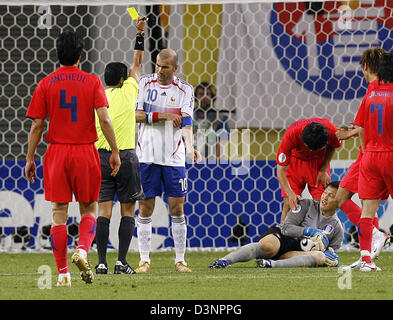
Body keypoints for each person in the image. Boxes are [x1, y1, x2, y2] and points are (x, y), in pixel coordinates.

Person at [25, 29, 121, 287]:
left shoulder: (46, 83)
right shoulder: (91, 82)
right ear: (81, 55)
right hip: (84, 151)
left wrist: (30, 158)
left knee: (58, 212)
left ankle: (63, 274)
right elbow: (104, 119)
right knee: (89, 207)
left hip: (56, 152)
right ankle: (82, 249)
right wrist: (114, 151)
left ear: (57, 54)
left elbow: (36, 126)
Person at [134, 48, 202, 273]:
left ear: (174, 68)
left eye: (164, 67)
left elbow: (186, 122)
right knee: (145, 208)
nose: (159, 70)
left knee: (177, 207)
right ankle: (144, 260)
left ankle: (180, 260)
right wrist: (163, 115)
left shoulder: (185, 90)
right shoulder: (144, 83)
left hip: (173, 158)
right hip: (147, 156)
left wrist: (191, 147)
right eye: (157, 65)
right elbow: (136, 115)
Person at [94, 17, 146, 275]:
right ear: (124, 79)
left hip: (100, 158)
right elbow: (138, 63)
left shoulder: (98, 97)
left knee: (103, 211)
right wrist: (139, 34)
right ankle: (121, 262)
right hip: (125, 156)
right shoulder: (129, 91)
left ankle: (101, 262)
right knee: (128, 210)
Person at [335, 48, 390, 265]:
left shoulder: (373, 92)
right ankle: (374, 238)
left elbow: (369, 124)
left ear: (365, 67)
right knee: (341, 198)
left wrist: (351, 133)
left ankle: (368, 251)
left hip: (370, 154)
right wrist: (353, 132)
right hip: (371, 153)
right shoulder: (379, 90)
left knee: (368, 204)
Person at [209, 181, 344, 269]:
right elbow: (286, 228)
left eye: (331, 196)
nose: (324, 198)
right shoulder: (304, 204)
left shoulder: (337, 228)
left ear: (339, 201)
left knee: (320, 257)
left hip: (297, 252)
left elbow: (330, 253)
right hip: (281, 237)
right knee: (269, 247)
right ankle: (224, 261)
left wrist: (331, 258)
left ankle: (270, 265)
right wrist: (308, 231)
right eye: (325, 193)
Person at [348, 51, 393, 271]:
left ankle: (366, 259)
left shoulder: (370, 95)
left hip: (370, 156)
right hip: (391, 153)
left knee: (367, 209)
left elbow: (361, 129)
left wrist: (367, 153)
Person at [276, 118, 342, 222]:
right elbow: (280, 171)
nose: (311, 151)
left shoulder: (331, 130)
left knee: (323, 205)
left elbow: (333, 147)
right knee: (289, 205)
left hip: (319, 165)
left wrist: (324, 169)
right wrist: (290, 194)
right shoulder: (291, 135)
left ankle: (319, 236)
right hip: (295, 164)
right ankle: (284, 237)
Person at [193, 82, 229, 161]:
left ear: (212, 97)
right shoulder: (187, 116)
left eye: (207, 94)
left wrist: (214, 163)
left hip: (211, 160)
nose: (204, 97)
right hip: (188, 159)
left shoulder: (220, 118)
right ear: (195, 97)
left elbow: (222, 142)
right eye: (201, 94)